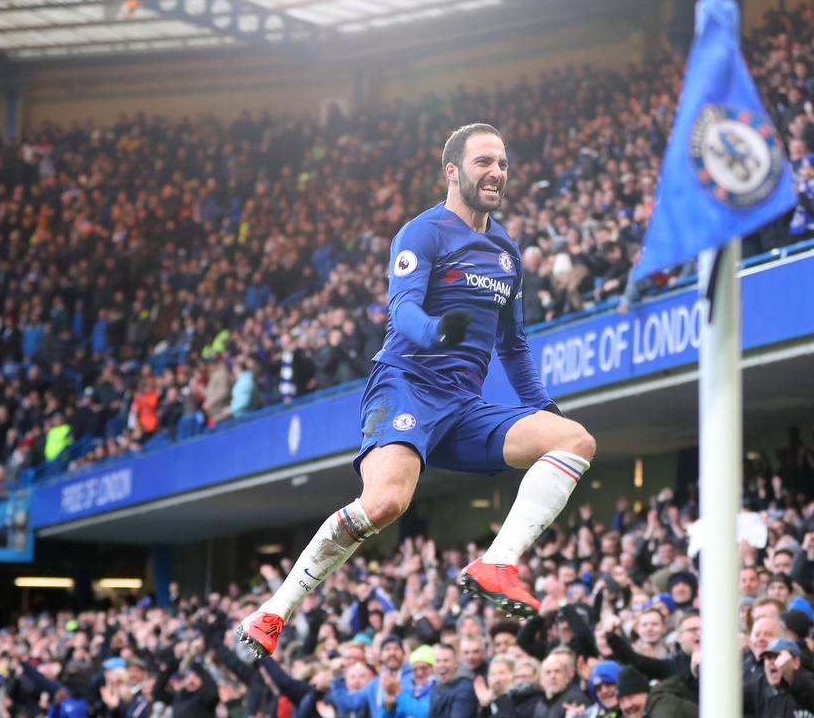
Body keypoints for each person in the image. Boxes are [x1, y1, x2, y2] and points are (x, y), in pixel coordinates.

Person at [238, 123, 597, 656]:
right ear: (452, 170)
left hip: (464, 405)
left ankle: (498, 563)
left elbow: (514, 345)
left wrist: (541, 406)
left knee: (574, 440)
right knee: (385, 504)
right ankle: (273, 612)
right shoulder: (423, 232)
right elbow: (402, 311)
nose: (496, 172)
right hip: (406, 386)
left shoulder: (506, 251)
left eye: (502, 162)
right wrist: (436, 330)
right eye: (483, 162)